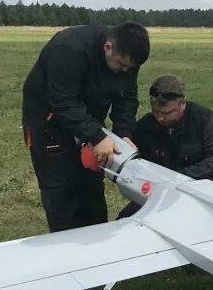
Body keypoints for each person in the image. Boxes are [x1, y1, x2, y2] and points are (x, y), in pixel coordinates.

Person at [21, 22, 150, 232]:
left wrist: (123, 133)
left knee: (91, 184)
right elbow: (62, 101)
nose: (125, 71)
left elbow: (126, 97)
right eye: (121, 65)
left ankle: (96, 243)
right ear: (108, 47)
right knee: (61, 189)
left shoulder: (127, 60)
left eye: (130, 68)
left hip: (89, 118)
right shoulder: (69, 49)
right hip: (49, 119)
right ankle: (66, 249)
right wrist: (96, 136)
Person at [116, 75, 213, 218]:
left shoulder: (204, 119)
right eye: (156, 112)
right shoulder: (145, 126)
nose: (160, 118)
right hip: (162, 191)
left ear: (183, 104)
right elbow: (127, 149)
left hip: (207, 184)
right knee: (124, 219)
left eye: (167, 113)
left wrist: (178, 176)